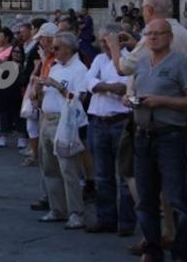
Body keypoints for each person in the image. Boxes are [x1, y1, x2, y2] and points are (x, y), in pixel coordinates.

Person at [130, 19, 187, 262]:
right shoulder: (142, 65)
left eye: (158, 34)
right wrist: (131, 101)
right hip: (143, 136)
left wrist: (161, 101)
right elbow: (134, 92)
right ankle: (152, 249)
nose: (153, 38)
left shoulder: (180, 64)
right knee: (146, 199)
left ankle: (182, 252)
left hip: (170, 136)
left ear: (169, 37)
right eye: (149, 34)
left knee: (177, 199)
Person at [33, 32, 89, 230]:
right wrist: (38, 90)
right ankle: (57, 208)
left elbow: (78, 98)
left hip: (64, 121)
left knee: (68, 168)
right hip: (46, 119)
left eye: (56, 48)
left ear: (68, 48)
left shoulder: (79, 69)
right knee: (49, 167)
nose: (53, 51)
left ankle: (76, 212)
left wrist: (57, 86)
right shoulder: (55, 67)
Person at [84, 25, 135, 236]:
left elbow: (125, 86)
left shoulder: (128, 60)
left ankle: (126, 222)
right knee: (102, 175)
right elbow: (88, 82)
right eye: (102, 41)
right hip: (98, 120)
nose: (105, 45)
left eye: (108, 41)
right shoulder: (98, 60)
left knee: (125, 175)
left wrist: (101, 86)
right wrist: (107, 87)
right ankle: (106, 218)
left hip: (120, 120)